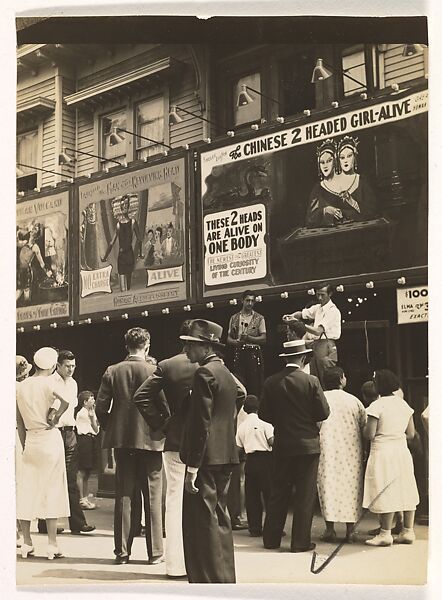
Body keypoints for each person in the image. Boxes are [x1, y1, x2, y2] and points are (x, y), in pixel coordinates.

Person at [179, 319, 246, 583]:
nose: (186, 351)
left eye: (190, 345)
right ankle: (225, 577)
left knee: (202, 523)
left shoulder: (204, 373)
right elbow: (241, 395)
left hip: (205, 458)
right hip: (226, 454)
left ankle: (208, 581)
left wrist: (192, 467)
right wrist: (225, 427)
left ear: (206, 347)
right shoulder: (225, 372)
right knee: (220, 518)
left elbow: (200, 423)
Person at [133, 319, 197, 578]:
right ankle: (200, 562)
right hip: (205, 444)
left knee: (174, 500)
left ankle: (175, 565)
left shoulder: (168, 365)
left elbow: (141, 396)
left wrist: (163, 424)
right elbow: (238, 392)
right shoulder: (212, 364)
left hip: (175, 440)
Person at [96, 327, 165, 565]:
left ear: (126, 347)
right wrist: (159, 428)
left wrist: (113, 427)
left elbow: (100, 407)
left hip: (123, 441)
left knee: (124, 496)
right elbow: (164, 407)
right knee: (153, 497)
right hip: (151, 440)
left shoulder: (112, 371)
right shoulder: (155, 370)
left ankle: (122, 552)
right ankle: (155, 552)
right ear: (147, 346)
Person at [259, 339, 330, 553]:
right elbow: (324, 413)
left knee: (278, 492)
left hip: (282, 443)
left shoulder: (271, 382)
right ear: (302, 358)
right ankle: (300, 542)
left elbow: (263, 414)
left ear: (286, 358)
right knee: (304, 494)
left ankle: (270, 539)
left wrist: (282, 422)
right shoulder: (311, 381)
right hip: (308, 445)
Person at [16, 347, 70, 559]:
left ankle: (27, 542)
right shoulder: (50, 383)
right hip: (49, 438)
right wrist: (56, 416)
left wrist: (24, 444)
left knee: (27, 489)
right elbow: (67, 401)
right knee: (52, 489)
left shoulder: (21, 386)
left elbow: (19, 421)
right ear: (54, 365)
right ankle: (51, 544)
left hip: (31, 439)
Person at [38, 350, 95, 536]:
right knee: (49, 478)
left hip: (70, 433)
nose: (71, 369)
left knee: (71, 479)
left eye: (73, 366)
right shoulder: (48, 382)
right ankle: (44, 523)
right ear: (58, 366)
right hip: (53, 432)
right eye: (67, 366)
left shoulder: (74, 384)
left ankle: (78, 524)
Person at [363, 369, 420, 546]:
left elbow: (370, 434)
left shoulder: (376, 406)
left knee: (385, 487)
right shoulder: (403, 405)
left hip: (382, 451)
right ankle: (408, 531)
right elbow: (411, 434)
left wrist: (363, 428)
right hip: (401, 450)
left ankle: (385, 533)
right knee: (406, 486)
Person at [317, 366, 366, 543]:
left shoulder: (321, 398)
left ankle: (329, 529)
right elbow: (364, 423)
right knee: (351, 486)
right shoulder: (353, 401)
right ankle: (350, 530)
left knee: (327, 485)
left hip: (327, 448)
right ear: (341, 380)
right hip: (351, 449)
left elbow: (315, 422)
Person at [282, 282, 341, 387]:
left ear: (330, 294)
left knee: (326, 378)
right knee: (315, 379)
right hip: (316, 345)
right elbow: (302, 313)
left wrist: (300, 325)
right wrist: (292, 316)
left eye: (322, 294)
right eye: (318, 294)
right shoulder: (317, 308)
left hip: (326, 345)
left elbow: (318, 331)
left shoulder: (333, 311)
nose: (319, 297)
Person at [236, 395, 274, 537]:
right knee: (270, 494)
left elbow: (237, 448)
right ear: (258, 408)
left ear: (244, 410)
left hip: (250, 460)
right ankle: (272, 528)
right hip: (265, 460)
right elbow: (271, 442)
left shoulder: (242, 427)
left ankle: (254, 528)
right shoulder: (265, 424)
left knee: (252, 496)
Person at [227, 289, 266, 396]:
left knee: (254, 383)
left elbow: (263, 339)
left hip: (253, 353)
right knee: (240, 382)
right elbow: (228, 339)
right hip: (239, 353)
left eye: (252, 301)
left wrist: (249, 338)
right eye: (247, 300)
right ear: (242, 301)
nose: (250, 303)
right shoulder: (234, 318)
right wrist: (236, 342)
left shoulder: (259, 318)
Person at [102, 195, 144, 292]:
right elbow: (112, 243)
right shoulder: (118, 225)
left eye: (126, 204)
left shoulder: (133, 222)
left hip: (129, 256)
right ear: (120, 207)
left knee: (128, 287)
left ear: (129, 206)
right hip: (121, 257)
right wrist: (105, 256)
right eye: (123, 205)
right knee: (122, 288)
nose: (124, 207)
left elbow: (139, 239)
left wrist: (141, 253)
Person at [16, 355, 33, 547]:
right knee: (20, 484)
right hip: (17, 436)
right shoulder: (22, 389)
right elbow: (21, 420)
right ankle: (22, 533)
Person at [75, 391, 99, 510]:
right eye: (91, 399)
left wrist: (92, 416)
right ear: (85, 402)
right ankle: (81, 499)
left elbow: (96, 430)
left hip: (91, 440)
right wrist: (91, 417)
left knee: (87, 471)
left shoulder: (90, 413)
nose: (94, 400)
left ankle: (85, 498)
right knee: (82, 470)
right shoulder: (82, 413)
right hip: (84, 440)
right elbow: (94, 427)